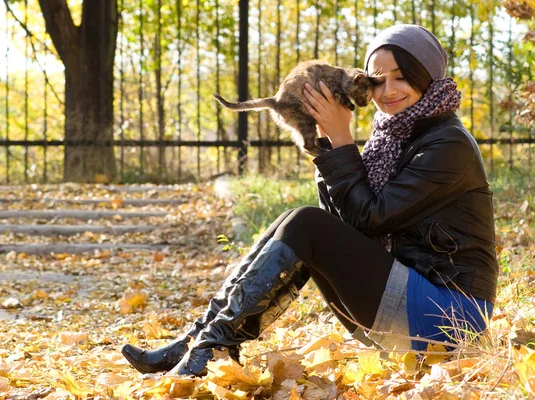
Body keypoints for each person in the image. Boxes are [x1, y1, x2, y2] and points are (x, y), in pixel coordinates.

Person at [121, 24, 498, 376]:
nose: (388, 91)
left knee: (305, 224)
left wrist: (342, 144)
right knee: (297, 223)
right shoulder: (394, 138)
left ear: (428, 77)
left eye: (402, 77)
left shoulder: (447, 144)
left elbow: (369, 219)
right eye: (378, 80)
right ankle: (199, 343)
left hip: (450, 318)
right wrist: (326, 147)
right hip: (409, 302)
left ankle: (206, 351)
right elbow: (343, 223)